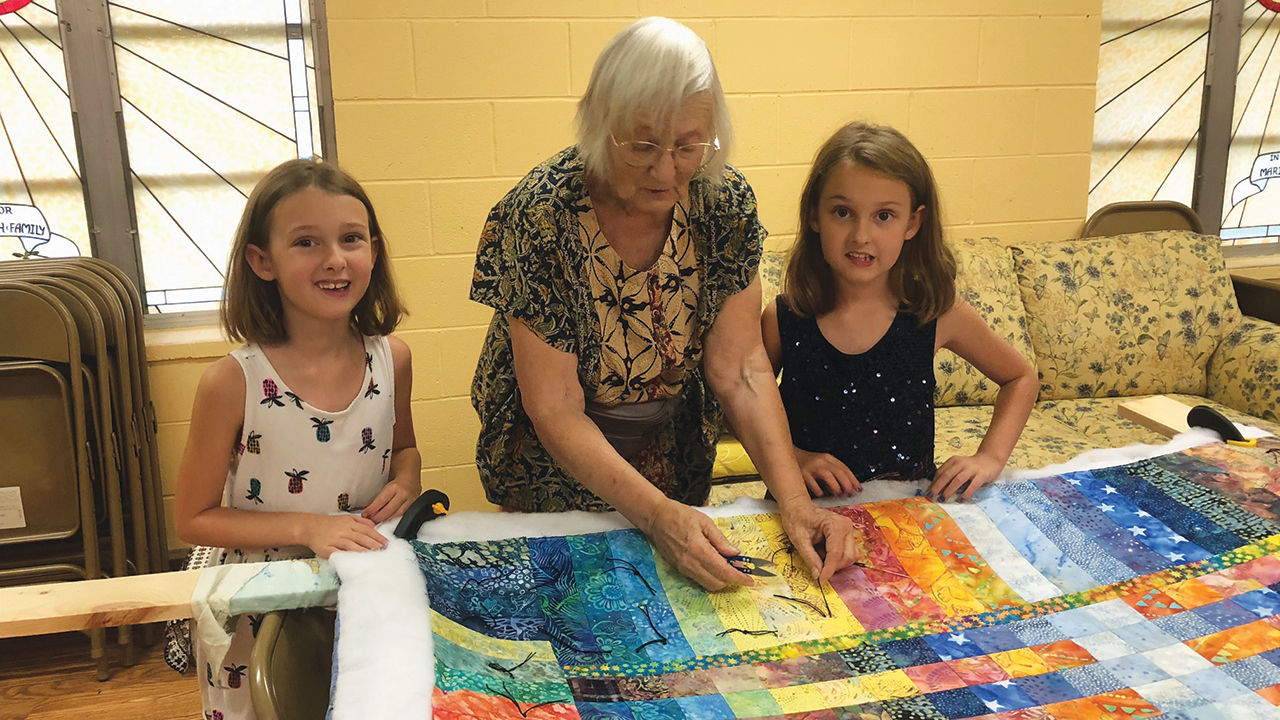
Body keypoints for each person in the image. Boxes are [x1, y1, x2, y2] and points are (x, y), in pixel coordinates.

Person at [470, 17, 855, 591]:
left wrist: (796, 504)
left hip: (669, 450)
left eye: (688, 145)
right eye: (642, 145)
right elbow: (555, 407)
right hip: (553, 464)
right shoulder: (541, 214)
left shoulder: (722, 204)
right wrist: (654, 516)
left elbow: (744, 370)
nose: (666, 169)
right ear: (601, 125)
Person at [173, 158, 420, 720]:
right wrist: (309, 527)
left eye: (351, 239)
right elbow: (192, 518)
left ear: (374, 251)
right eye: (307, 242)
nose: (335, 260)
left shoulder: (393, 359)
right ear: (263, 261)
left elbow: (403, 447)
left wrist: (407, 478)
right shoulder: (231, 381)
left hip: (359, 588)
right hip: (259, 604)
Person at [763, 122, 1037, 503]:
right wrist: (791, 457)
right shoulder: (783, 318)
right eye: (842, 212)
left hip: (908, 518)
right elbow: (737, 406)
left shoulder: (937, 313)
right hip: (803, 510)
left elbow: (1020, 377)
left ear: (913, 222)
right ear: (814, 216)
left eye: (884, 216)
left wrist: (990, 457)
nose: (861, 235)